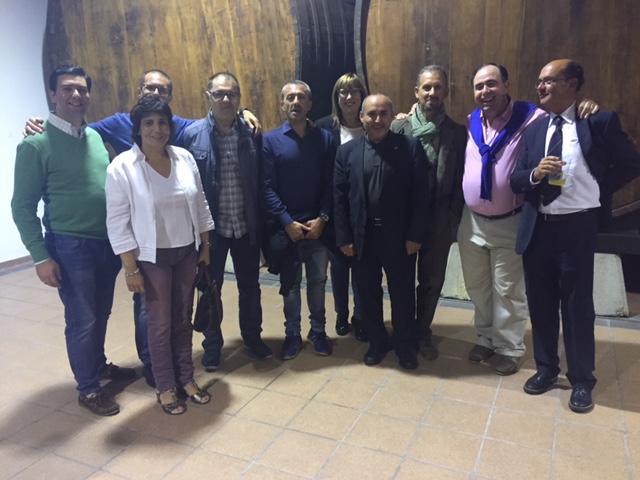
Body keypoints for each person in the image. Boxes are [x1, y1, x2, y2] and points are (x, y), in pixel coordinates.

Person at [24, 69, 261, 388]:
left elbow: (215, 118)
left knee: (131, 313)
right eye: (150, 90)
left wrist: (243, 111)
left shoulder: (176, 138)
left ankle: (154, 369)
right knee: (114, 316)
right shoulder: (111, 135)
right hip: (113, 245)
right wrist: (41, 123)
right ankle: (132, 374)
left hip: (150, 244)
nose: (156, 127)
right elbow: (70, 132)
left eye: (163, 92)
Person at [511, 59, 640, 413]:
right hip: (538, 227)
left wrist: (599, 187)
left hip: (576, 229)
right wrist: (536, 174)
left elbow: (632, 163)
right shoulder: (535, 130)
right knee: (540, 305)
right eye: (539, 81)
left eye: (549, 81)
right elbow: (516, 179)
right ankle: (546, 369)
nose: (540, 87)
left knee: (577, 308)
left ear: (572, 84)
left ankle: (582, 380)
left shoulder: (596, 121)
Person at [458, 63, 597, 376]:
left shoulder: (531, 117)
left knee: (508, 289)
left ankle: (509, 347)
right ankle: (486, 338)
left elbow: (565, 117)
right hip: (472, 221)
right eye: (479, 86)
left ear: (507, 85)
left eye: (491, 84)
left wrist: (586, 105)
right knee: (477, 286)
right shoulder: (471, 121)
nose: (485, 91)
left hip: (510, 219)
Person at [11, 65, 133, 417]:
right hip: (70, 246)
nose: (75, 95)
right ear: (53, 94)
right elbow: (21, 206)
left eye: (81, 89)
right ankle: (89, 389)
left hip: (106, 243)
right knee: (82, 319)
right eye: (66, 89)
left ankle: (97, 364)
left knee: (101, 313)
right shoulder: (35, 144)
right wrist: (40, 256)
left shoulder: (93, 137)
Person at [105, 95, 215, 415]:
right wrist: (130, 268)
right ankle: (165, 385)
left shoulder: (184, 157)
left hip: (186, 253)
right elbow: (117, 222)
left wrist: (205, 244)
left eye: (162, 122)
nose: (157, 129)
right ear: (138, 129)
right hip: (151, 258)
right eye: (149, 123)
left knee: (182, 320)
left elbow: (200, 203)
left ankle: (186, 378)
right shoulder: (122, 167)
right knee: (160, 324)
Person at [182, 72, 271, 371]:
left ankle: (252, 338)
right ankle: (212, 347)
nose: (225, 99)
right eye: (219, 93)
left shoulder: (251, 133)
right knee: (210, 289)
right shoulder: (192, 135)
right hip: (213, 231)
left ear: (239, 99)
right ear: (208, 96)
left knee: (250, 288)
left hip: (246, 226)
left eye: (232, 94)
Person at [334, 94, 429, 370]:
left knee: (402, 294)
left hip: (400, 238)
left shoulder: (410, 147)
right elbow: (339, 198)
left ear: (391, 116)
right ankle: (377, 342)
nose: (378, 120)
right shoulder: (346, 152)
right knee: (368, 293)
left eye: (383, 114)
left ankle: (404, 344)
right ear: (361, 117)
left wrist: (415, 235)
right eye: (372, 114)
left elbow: (421, 195)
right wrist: (345, 238)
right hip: (362, 237)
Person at [391, 65, 466, 360]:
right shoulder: (399, 128)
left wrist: (453, 216)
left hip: (439, 217)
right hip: (404, 219)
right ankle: (402, 330)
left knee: (432, 281)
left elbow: (460, 177)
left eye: (438, 87)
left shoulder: (456, 132)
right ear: (416, 92)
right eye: (427, 87)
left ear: (445, 92)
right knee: (402, 278)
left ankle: (422, 332)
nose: (432, 92)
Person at [262, 81, 336, 360]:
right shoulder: (270, 141)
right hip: (287, 230)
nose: (296, 102)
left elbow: (331, 183)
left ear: (310, 104)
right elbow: (266, 187)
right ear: (282, 104)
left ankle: (318, 331)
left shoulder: (325, 139)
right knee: (291, 286)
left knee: (318, 282)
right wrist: (285, 221)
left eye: (301, 97)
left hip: (318, 228)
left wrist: (323, 218)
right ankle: (292, 334)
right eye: (290, 97)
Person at [316, 73, 367, 341]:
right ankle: (341, 313)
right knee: (338, 268)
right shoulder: (324, 127)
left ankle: (360, 315)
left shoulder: (372, 123)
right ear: (336, 98)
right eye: (343, 92)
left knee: (361, 267)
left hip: (364, 211)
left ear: (362, 95)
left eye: (354, 91)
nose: (349, 97)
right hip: (335, 210)